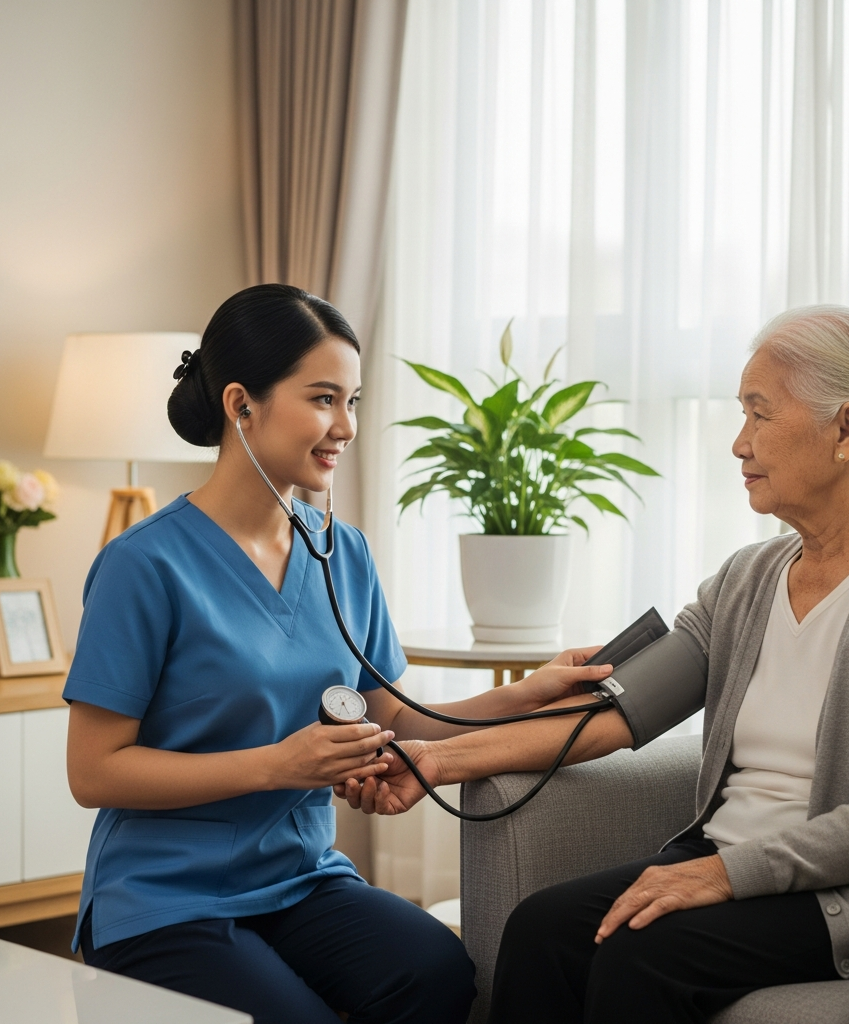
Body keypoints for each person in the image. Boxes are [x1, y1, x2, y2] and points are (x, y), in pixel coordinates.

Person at [345, 305, 849, 1024]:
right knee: (541, 930)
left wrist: (724, 874)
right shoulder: (749, 578)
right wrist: (436, 762)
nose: (739, 443)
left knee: (640, 955)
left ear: (846, 430)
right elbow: (611, 715)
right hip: (728, 858)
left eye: (760, 415)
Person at [64, 284, 617, 1024]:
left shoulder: (343, 553)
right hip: (166, 898)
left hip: (301, 880)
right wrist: (278, 765)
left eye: (352, 401)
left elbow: (397, 718)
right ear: (241, 404)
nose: (347, 427)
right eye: (324, 399)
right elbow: (94, 772)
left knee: (435, 973)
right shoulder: (143, 565)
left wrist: (526, 693)